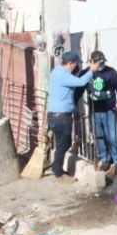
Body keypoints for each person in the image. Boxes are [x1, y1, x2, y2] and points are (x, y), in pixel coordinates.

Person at [46, 50, 93, 182]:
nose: (76, 67)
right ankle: (58, 173)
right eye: (76, 64)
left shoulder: (56, 72)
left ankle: (56, 168)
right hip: (61, 117)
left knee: (60, 144)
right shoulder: (64, 76)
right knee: (64, 144)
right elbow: (82, 82)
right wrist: (92, 70)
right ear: (71, 64)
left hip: (53, 116)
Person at [86, 50, 117, 175]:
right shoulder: (88, 73)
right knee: (98, 136)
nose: (101, 65)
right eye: (99, 63)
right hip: (95, 110)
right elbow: (79, 86)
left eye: (102, 62)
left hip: (109, 109)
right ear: (92, 62)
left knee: (113, 136)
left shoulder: (111, 72)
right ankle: (104, 159)